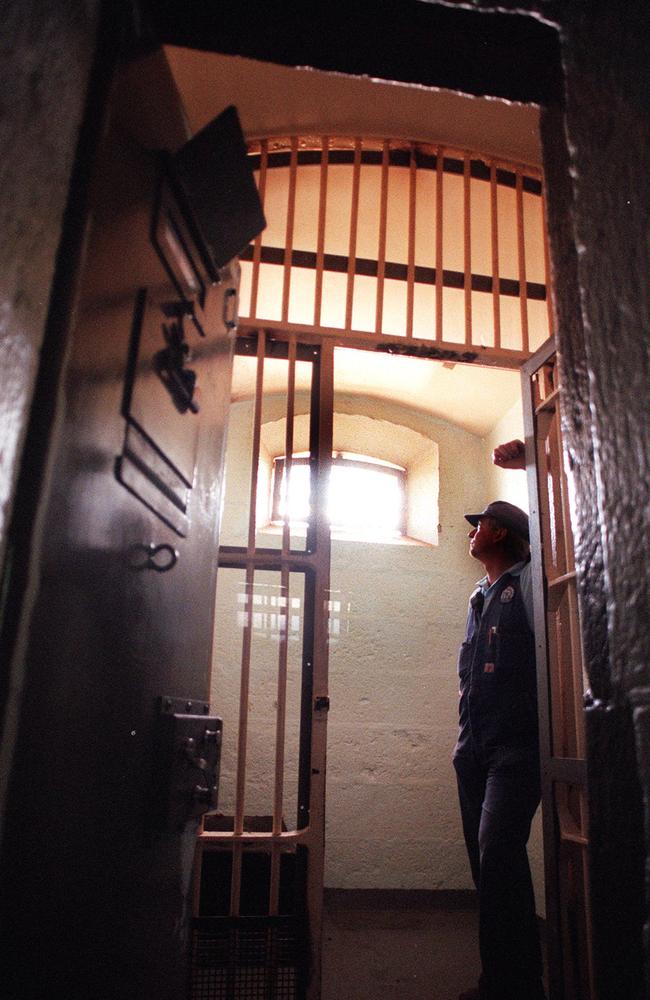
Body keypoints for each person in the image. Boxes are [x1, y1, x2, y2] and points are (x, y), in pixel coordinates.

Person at [454, 439, 546, 1000]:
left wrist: (533, 462)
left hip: (518, 749)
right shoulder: (479, 595)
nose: (472, 531)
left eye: (480, 524)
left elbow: (557, 528)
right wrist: (462, 737)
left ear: (504, 534)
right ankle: (505, 979)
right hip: (475, 748)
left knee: (497, 854)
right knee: (488, 867)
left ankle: (516, 984)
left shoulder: (530, 584)